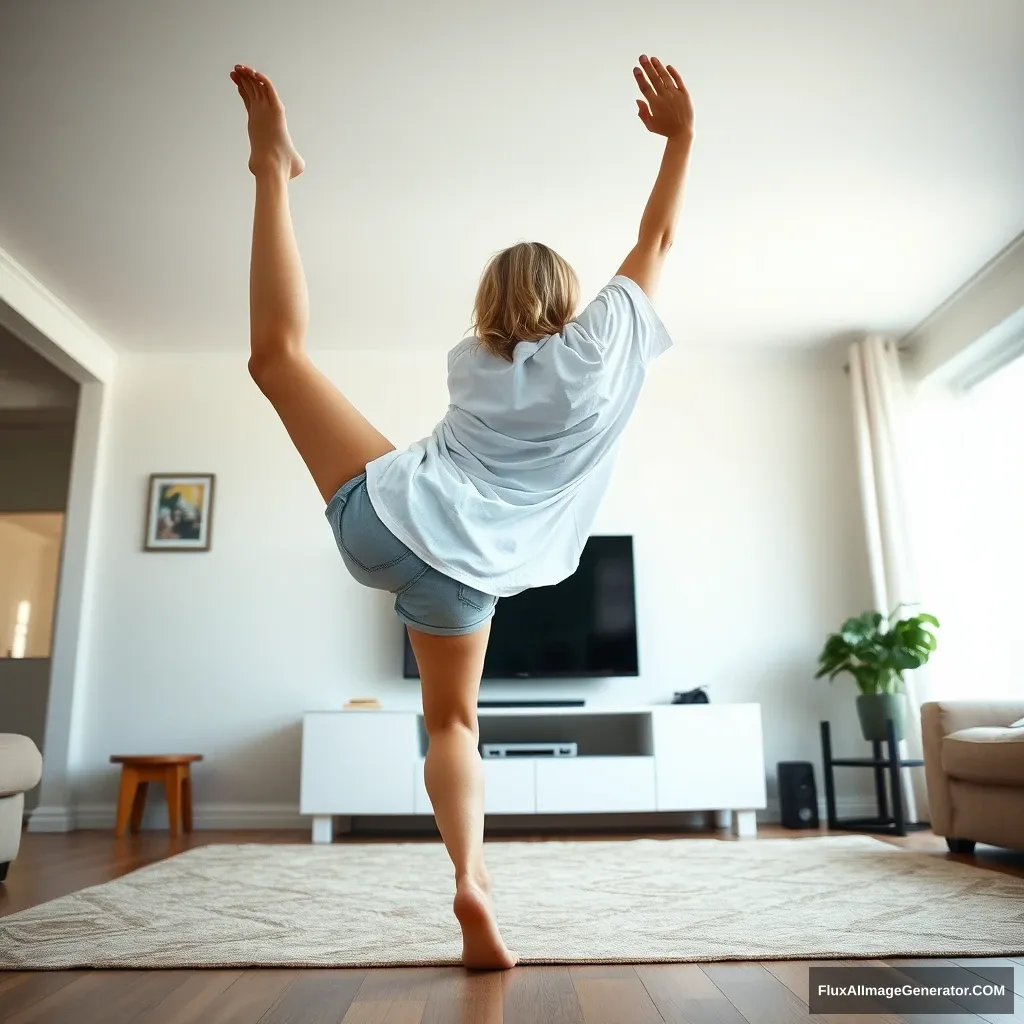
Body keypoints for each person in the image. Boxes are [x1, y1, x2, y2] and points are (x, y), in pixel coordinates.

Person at [229, 55, 694, 970]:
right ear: (574, 302)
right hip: (461, 578)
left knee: (277, 360)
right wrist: (679, 138)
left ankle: (272, 176)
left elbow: (294, 363)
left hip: (385, 516)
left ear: (489, 307)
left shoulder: (471, 362)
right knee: (454, 726)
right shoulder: (601, 349)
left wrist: (679, 136)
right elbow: (660, 238)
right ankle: (471, 878)